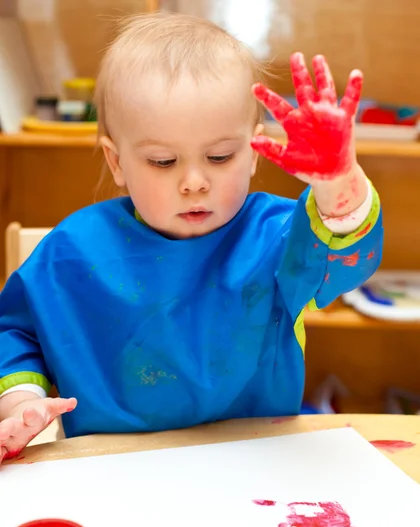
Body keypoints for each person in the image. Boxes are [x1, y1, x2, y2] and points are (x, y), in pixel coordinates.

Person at [0, 13, 382, 464]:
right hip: (111, 468)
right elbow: (15, 331)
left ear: (255, 150)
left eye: (220, 157)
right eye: (163, 162)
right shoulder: (71, 254)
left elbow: (345, 261)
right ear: (117, 161)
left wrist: (339, 185)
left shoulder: (279, 236)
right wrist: (21, 403)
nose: (195, 182)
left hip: (254, 459)